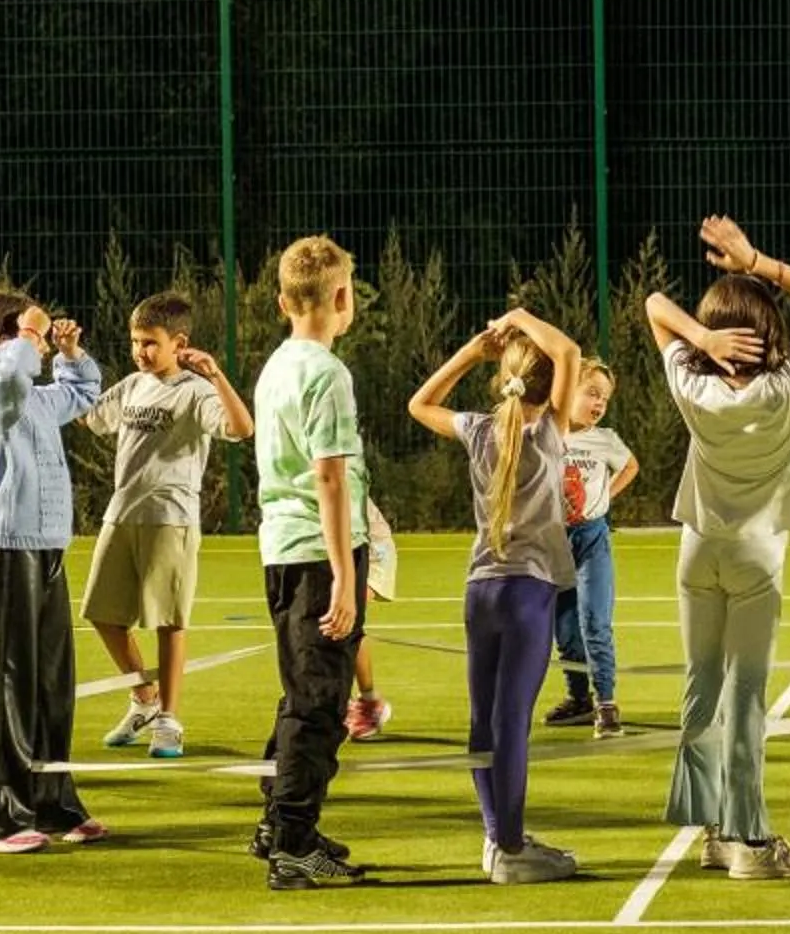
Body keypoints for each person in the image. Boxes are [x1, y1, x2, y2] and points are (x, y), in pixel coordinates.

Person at [648, 215, 790, 881]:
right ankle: (749, 840)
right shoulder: (786, 388)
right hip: (757, 557)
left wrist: (699, 335)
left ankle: (714, 834)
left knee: (702, 687)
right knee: (746, 697)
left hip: (698, 551)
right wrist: (755, 259)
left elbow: (653, 306)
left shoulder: (692, 387)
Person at [408, 306, 585, 884]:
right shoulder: (547, 431)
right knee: (512, 724)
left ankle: (497, 837)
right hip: (527, 592)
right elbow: (569, 353)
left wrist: (471, 351)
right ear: (547, 388)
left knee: (483, 722)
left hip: (479, 590)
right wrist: (523, 316)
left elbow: (419, 404)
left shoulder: (482, 429)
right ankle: (509, 848)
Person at [0, 288, 109, 854]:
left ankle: (52, 800)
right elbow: (11, 379)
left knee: (51, 684)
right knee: (8, 682)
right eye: (30, 337)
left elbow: (84, 391)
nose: (38, 348)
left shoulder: (39, 398)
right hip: (9, 549)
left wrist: (67, 352)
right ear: (3, 341)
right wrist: (24, 337)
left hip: (48, 549)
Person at [81, 292, 256, 759]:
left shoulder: (195, 390)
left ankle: (170, 720)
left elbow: (242, 429)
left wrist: (216, 375)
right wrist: (69, 358)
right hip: (121, 513)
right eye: (135, 341)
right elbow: (88, 416)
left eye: (150, 342)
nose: (140, 351)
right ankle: (144, 698)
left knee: (168, 621)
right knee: (100, 613)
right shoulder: (133, 384)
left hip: (170, 518)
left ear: (180, 343)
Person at [248, 237, 372, 889]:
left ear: (282, 302)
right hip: (316, 555)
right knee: (319, 705)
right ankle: (292, 842)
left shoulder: (278, 365)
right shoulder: (327, 373)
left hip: (282, 548)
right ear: (343, 298)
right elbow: (329, 478)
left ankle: (281, 822)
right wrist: (347, 578)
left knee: (302, 694)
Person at [546, 361, 638, 737]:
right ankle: (579, 699)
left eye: (605, 398)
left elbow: (630, 466)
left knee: (595, 622)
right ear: (567, 391)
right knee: (565, 629)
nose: (599, 403)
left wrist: (603, 499)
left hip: (592, 538)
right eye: (592, 393)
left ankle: (606, 703)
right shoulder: (547, 434)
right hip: (552, 542)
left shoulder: (605, 439)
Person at [346, 499, 399, 743]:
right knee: (329, 624)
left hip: (371, 548)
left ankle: (369, 704)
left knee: (346, 623)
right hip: (342, 545)